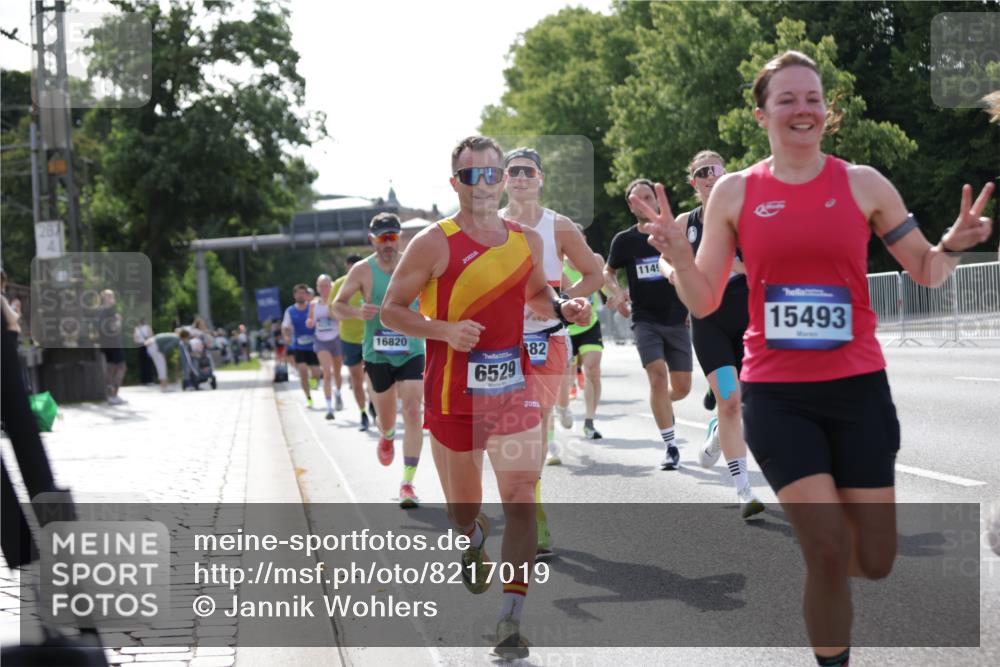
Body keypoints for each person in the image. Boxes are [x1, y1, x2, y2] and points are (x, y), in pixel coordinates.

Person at [636, 50, 994, 667]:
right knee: (826, 550)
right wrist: (680, 257)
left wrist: (952, 245)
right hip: (778, 394)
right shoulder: (736, 191)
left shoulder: (863, 183)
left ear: (827, 111)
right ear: (762, 114)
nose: (803, 110)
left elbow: (928, 272)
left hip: (859, 389)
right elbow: (705, 298)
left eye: (813, 99)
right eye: (787, 100)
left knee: (875, 561)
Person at [380, 135, 591, 659]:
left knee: (521, 496)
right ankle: (471, 535)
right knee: (462, 508)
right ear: (456, 182)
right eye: (474, 176)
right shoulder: (433, 241)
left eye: (494, 174)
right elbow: (391, 311)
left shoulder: (525, 240)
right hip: (452, 395)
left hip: (513, 389)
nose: (487, 184)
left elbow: (537, 296)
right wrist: (444, 331)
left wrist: (565, 309)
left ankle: (509, 619)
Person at [500, 146, 603, 561]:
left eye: (529, 170)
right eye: (514, 171)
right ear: (504, 180)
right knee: (504, 427)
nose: (522, 177)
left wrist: (562, 299)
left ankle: (533, 510)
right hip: (500, 342)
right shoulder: (489, 226)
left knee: (535, 422)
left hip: (546, 337)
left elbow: (594, 272)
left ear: (541, 178)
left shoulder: (557, 226)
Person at [661, 150, 764, 519]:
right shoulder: (686, 222)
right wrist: (675, 273)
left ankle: (719, 431)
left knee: (751, 401)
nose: (710, 176)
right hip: (710, 324)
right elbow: (663, 256)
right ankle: (743, 489)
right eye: (702, 172)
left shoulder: (744, 217)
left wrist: (728, 261)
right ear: (694, 182)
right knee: (730, 399)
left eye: (717, 170)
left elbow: (762, 264)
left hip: (751, 320)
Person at [332, 213, 425, 508]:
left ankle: (408, 482)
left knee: (412, 412)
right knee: (387, 420)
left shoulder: (414, 264)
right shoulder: (362, 270)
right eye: (382, 238)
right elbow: (337, 306)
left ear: (400, 238)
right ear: (372, 240)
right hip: (377, 353)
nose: (388, 243)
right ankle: (386, 436)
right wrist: (358, 313)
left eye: (393, 237)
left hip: (411, 349)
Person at [605, 179, 693, 470]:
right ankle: (670, 446)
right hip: (645, 319)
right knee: (656, 376)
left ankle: (662, 404)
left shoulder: (675, 232)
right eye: (636, 199)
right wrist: (616, 294)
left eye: (647, 196)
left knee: (681, 388)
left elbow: (696, 264)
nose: (642, 202)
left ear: (656, 200)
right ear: (631, 206)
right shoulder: (624, 240)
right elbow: (609, 271)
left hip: (678, 316)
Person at [563, 252, 606, 440]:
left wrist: (616, 296)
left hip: (589, 324)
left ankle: (589, 422)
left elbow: (604, 281)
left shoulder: (594, 261)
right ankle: (562, 406)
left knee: (593, 368)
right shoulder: (557, 265)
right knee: (563, 374)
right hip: (564, 329)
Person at [332, 254, 373, 430]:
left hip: (371, 336)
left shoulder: (371, 279)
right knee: (356, 378)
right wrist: (356, 312)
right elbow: (334, 311)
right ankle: (363, 412)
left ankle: (374, 404)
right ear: (347, 268)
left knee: (373, 376)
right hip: (349, 338)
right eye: (352, 267)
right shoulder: (340, 284)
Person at [306, 274, 344, 420]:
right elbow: (310, 319)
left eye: (326, 285)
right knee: (327, 373)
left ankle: (338, 393)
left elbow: (342, 318)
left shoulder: (336, 301)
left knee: (337, 372)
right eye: (320, 286)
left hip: (336, 339)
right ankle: (329, 408)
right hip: (321, 341)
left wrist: (333, 313)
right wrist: (309, 322)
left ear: (331, 286)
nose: (323, 289)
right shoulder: (314, 304)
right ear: (317, 288)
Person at [282, 284, 322, 407]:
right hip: (299, 346)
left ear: (306, 295)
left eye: (303, 293)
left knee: (316, 373)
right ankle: (309, 398)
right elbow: (285, 326)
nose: (300, 295)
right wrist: (287, 336)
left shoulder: (313, 308)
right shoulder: (290, 311)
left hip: (314, 346)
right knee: (303, 372)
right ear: (294, 295)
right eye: (298, 293)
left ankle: (313, 382)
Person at [96, 289, 127, 405]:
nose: (113, 299)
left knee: (110, 369)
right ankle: (114, 394)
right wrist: (119, 321)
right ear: (107, 299)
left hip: (105, 344)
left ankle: (111, 395)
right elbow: (112, 329)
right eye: (111, 297)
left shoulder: (100, 311)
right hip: (113, 344)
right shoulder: (109, 312)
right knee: (121, 367)